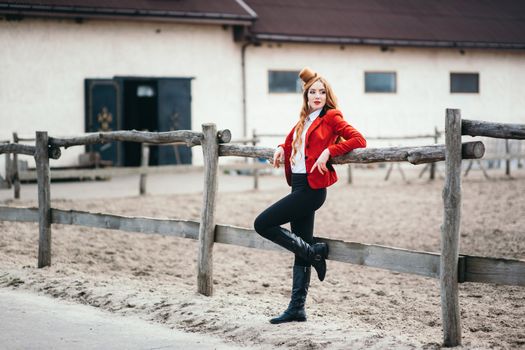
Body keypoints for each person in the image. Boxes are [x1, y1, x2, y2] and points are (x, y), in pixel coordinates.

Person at [253, 67, 366, 324]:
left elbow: (359, 140)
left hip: (313, 190)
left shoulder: (331, 117)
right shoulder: (304, 119)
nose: (317, 96)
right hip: (298, 186)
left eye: (322, 92)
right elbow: (291, 140)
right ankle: (297, 308)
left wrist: (331, 151)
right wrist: (282, 148)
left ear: (328, 96)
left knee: (262, 224)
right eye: (312, 92)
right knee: (299, 247)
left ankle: (314, 253)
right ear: (306, 96)